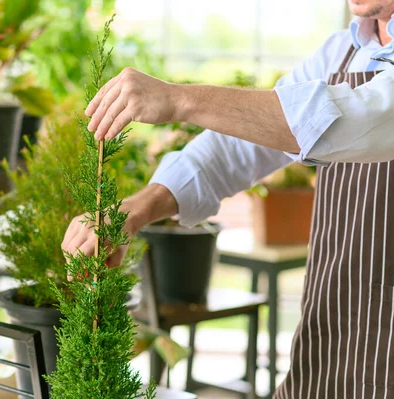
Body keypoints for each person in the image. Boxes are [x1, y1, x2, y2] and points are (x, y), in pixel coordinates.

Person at [61, 0, 394, 397]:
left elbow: (357, 118)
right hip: (336, 333)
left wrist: (182, 99)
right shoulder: (342, 49)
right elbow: (238, 148)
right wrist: (139, 206)